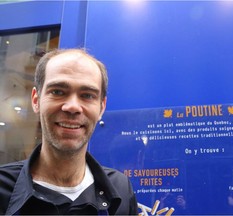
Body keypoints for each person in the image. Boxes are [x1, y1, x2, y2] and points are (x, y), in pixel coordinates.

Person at [0, 48, 138, 215]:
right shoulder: (3, 188)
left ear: (101, 107)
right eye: (57, 92)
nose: (72, 106)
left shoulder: (121, 191)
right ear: (36, 100)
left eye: (87, 95)